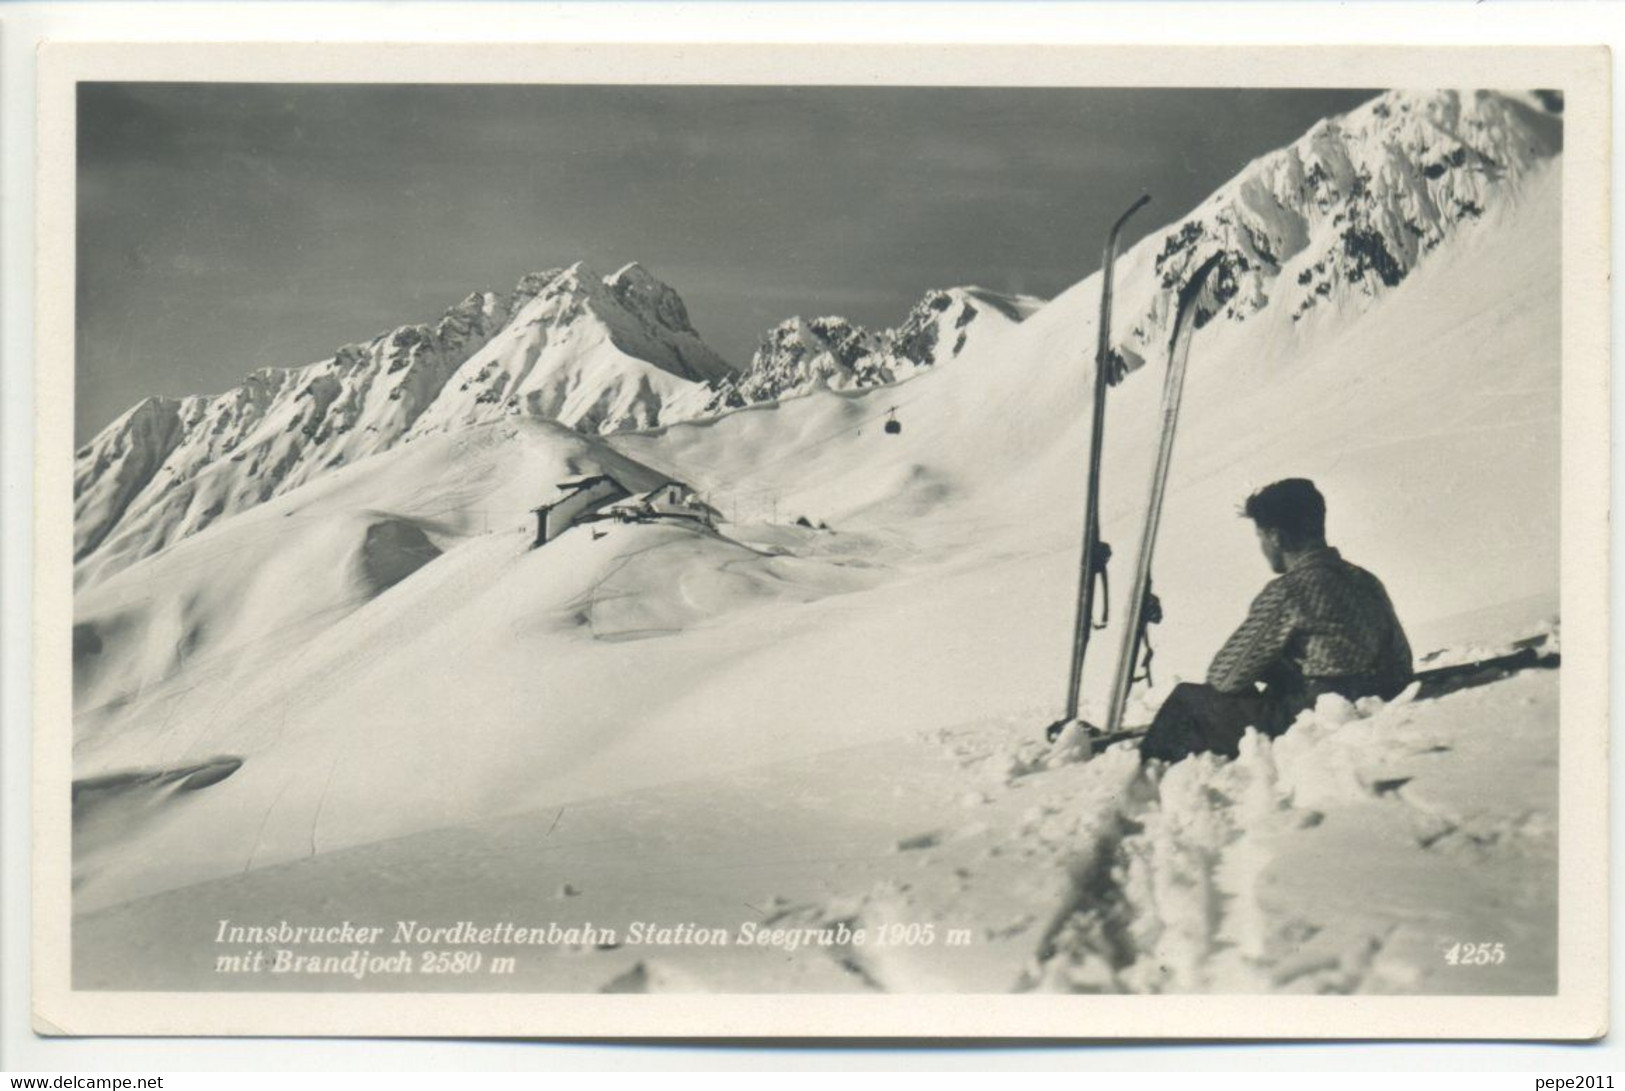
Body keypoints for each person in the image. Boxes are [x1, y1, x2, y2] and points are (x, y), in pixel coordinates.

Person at [1139, 478, 1414, 763]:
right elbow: (1400, 660)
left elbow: (1224, 677)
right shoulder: (1365, 580)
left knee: (1188, 702)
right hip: (1376, 700)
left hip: (1317, 716)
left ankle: (1145, 783)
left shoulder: (1290, 590)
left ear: (1276, 537)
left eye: (1260, 536)